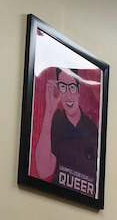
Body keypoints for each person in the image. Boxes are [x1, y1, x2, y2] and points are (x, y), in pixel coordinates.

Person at [33, 67, 99, 197]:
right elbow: (44, 171)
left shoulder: (92, 129)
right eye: (63, 87)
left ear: (79, 91)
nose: (68, 95)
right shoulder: (56, 121)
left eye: (72, 88)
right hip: (56, 196)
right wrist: (49, 112)